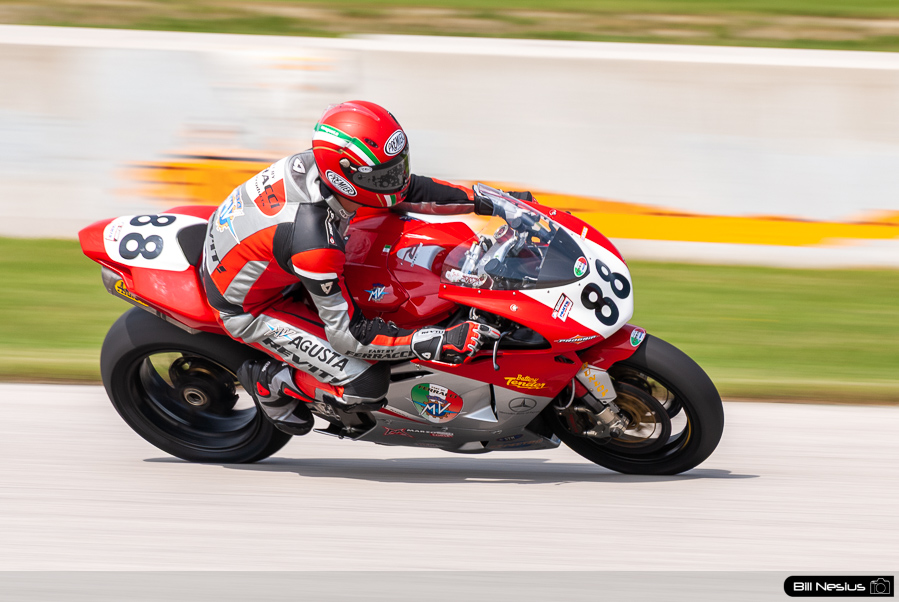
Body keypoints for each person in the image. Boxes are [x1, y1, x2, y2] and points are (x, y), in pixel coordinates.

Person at [201, 100, 503, 436]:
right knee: (367, 382)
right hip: (253, 306)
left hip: (269, 252)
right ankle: (270, 381)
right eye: (386, 175)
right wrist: (433, 340)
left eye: (399, 166)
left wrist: (492, 201)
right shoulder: (315, 243)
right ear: (343, 176)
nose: (398, 178)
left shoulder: (330, 167)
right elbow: (349, 338)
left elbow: (406, 189)